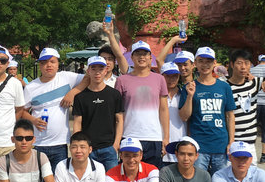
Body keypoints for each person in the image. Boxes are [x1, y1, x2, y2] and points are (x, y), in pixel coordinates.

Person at [23, 47, 84, 171]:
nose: (48, 65)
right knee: (39, 180)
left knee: (59, 179)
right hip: (37, 144)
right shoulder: (31, 87)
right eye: (44, 62)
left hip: (60, 144)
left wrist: (72, 93)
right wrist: (33, 120)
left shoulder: (66, 78)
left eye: (52, 61)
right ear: (39, 65)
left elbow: (88, 78)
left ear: (58, 64)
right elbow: (21, 111)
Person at [179, 46, 236, 176]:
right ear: (195, 63)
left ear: (214, 63)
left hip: (220, 145)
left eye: (208, 61)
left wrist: (231, 141)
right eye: (201, 61)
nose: (205, 65)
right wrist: (190, 96)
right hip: (199, 146)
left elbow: (230, 116)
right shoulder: (189, 87)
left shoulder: (224, 87)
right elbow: (184, 117)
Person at [114, 41, 169, 169]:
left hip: (153, 137)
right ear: (132, 57)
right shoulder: (122, 80)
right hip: (129, 136)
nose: (141, 57)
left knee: (153, 175)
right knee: (129, 176)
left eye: (145, 54)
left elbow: (163, 109)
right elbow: (118, 113)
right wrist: (117, 139)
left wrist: (166, 137)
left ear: (150, 57)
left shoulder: (159, 79)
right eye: (138, 54)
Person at [72, 55, 123, 171]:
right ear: (88, 71)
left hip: (109, 148)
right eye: (93, 68)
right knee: (89, 181)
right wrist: (79, 145)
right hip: (88, 149)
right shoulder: (80, 97)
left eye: (101, 68)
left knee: (111, 181)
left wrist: (116, 144)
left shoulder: (114, 94)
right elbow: (77, 123)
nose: (97, 72)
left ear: (106, 70)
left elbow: (119, 120)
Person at [226, 49, 264, 162]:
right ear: (232, 64)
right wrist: (230, 141)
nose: (243, 67)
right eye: (239, 63)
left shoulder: (254, 83)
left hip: (250, 144)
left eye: (247, 63)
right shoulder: (224, 86)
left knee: (252, 172)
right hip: (232, 142)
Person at [160, 62, 187, 163]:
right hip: (162, 145)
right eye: (167, 76)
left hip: (181, 146)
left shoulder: (185, 95)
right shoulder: (156, 97)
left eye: (175, 76)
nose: (171, 79)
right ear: (161, 76)